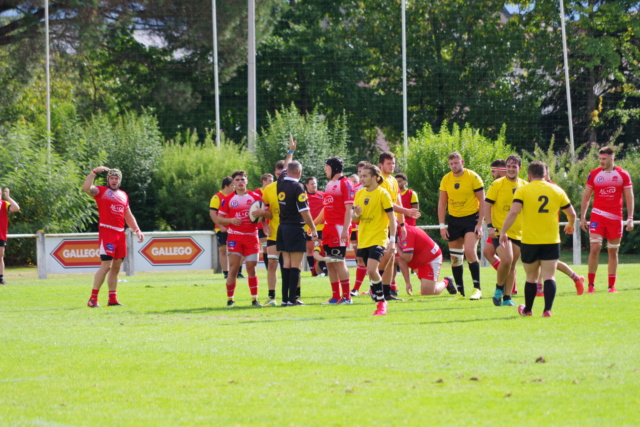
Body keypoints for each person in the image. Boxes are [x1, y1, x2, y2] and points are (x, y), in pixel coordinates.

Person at [499, 161, 576, 317]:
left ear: (529, 175)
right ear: (545, 174)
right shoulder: (557, 190)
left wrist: (503, 231)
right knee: (549, 276)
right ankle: (547, 310)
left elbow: (513, 212)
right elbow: (572, 214)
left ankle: (528, 310)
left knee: (531, 277)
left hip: (530, 240)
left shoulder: (523, 190)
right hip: (551, 240)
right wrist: (570, 225)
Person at [82, 167, 144, 307]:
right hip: (107, 232)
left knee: (116, 268)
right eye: (111, 178)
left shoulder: (123, 195)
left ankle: (112, 299)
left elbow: (128, 215)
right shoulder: (101, 191)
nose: (114, 180)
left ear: (119, 180)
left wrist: (137, 229)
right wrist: (94, 172)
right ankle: (93, 299)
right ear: (108, 179)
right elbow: (86, 188)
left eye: (116, 178)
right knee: (106, 266)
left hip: (120, 234)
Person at [580, 146, 634, 294]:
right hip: (597, 215)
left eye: (604, 159)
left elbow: (629, 197)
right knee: (595, 248)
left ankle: (611, 286)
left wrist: (630, 218)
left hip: (615, 218)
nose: (601, 161)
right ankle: (591, 285)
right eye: (600, 159)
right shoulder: (594, 174)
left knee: (612, 251)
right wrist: (583, 217)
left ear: (612, 158)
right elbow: (586, 196)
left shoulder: (623, 174)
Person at [438, 152, 485, 299]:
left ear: (462, 162)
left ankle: (477, 289)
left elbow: (483, 202)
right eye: (451, 164)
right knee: (455, 258)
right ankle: (460, 292)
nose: (454, 166)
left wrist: (480, 224)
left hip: (471, 219)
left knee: (470, 251)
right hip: (454, 220)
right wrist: (442, 226)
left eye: (456, 163)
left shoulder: (473, 177)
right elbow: (442, 203)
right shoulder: (446, 179)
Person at [352, 164, 397, 316]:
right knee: (370, 273)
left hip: (379, 237)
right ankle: (378, 297)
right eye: (361, 176)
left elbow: (392, 219)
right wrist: (356, 213)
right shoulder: (359, 194)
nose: (361, 178)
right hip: (364, 239)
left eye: (365, 176)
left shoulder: (382, 194)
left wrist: (392, 240)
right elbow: (355, 220)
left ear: (374, 177)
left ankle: (381, 302)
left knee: (372, 269)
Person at [217, 170, 265, 307]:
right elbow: (220, 218)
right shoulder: (227, 199)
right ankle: (230, 299)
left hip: (251, 237)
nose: (240, 182)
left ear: (246, 181)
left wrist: (263, 216)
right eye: (237, 180)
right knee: (233, 268)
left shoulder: (256, 197)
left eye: (242, 179)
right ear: (233, 183)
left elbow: (266, 215)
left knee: (252, 268)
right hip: (234, 237)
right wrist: (231, 220)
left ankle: (254, 299)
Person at [377, 151, 420, 301]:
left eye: (393, 163)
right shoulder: (380, 180)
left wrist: (402, 223)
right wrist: (407, 211)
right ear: (380, 165)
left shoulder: (394, 181)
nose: (392, 166)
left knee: (390, 257)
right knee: (386, 255)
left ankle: (386, 291)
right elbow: (388, 204)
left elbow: (398, 202)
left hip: (393, 224)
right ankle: (376, 284)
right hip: (381, 224)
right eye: (388, 163)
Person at [484, 155, 527, 307]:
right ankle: (498, 289)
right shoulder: (497, 184)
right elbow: (486, 206)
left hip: (518, 232)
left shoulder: (525, 186)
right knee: (507, 259)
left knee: (512, 264)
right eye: (508, 166)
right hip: (499, 230)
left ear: (519, 168)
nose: (510, 169)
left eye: (514, 166)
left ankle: (507, 298)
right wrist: (489, 226)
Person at [276, 160, 318, 306]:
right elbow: (304, 211)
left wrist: (290, 152)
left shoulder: (280, 183)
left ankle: (284, 299)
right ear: (299, 173)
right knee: (296, 265)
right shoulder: (298, 187)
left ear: (287, 171)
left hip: (282, 228)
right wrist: (313, 228)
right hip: (295, 228)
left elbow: (284, 169)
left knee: (286, 264)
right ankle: (293, 299)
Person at [314, 157, 354, 304]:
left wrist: (345, 229)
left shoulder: (347, 183)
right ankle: (335, 296)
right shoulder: (329, 184)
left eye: (326, 167)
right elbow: (326, 208)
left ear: (334, 167)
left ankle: (347, 297)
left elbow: (349, 209)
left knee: (338, 261)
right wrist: (314, 223)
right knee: (330, 263)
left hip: (339, 228)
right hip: (328, 227)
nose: (325, 169)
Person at [261, 137, 297, 306]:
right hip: (274, 233)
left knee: (292, 265)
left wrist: (291, 151)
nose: (279, 174)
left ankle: (294, 296)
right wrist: (263, 223)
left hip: (289, 231)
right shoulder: (268, 190)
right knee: (273, 263)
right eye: (277, 172)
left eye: (282, 171)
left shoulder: (294, 186)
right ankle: (272, 296)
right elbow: (266, 212)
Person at [397, 225, 457, 296]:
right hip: (417, 259)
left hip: (430, 259)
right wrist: (407, 282)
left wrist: (395, 245)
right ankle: (389, 289)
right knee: (390, 259)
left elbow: (406, 258)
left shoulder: (406, 232)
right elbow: (401, 260)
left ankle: (446, 281)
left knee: (428, 292)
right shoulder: (392, 234)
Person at [210, 176, 244, 279]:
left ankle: (238, 272)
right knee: (223, 250)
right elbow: (212, 213)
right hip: (223, 229)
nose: (234, 188)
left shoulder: (235, 196)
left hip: (235, 228)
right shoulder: (217, 197)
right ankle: (226, 273)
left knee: (239, 250)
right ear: (226, 186)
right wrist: (220, 226)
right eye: (232, 186)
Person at [395, 173, 419, 291]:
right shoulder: (394, 194)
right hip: (397, 227)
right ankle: (393, 284)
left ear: (405, 182)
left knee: (407, 254)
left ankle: (415, 270)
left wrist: (401, 212)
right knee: (398, 255)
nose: (398, 183)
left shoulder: (411, 194)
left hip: (409, 228)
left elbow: (415, 211)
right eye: (396, 181)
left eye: (400, 181)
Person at [350, 161, 370, 297]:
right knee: (361, 258)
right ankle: (356, 288)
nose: (361, 176)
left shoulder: (377, 189)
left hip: (374, 229)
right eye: (359, 173)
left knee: (375, 260)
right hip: (356, 228)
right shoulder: (355, 189)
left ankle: (383, 287)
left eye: (364, 173)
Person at [482, 160, 507, 271]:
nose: (492, 174)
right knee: (487, 252)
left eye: (493, 171)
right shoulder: (496, 184)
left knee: (507, 261)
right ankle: (506, 278)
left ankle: (511, 286)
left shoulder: (508, 185)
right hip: (496, 226)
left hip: (506, 228)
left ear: (501, 171)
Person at [304, 176, 327, 277]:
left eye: (315, 183)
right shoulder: (303, 196)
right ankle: (312, 270)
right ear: (307, 185)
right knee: (310, 249)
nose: (314, 185)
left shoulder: (322, 195)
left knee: (322, 249)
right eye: (312, 184)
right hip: (308, 227)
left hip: (322, 226)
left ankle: (324, 269)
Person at [0, 188, 20, 285]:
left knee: (0, 257)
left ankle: (0, 279)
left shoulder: (4, 204)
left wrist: (7, 197)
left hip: (1, 235)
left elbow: (16, 208)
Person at [254, 173, 273, 270]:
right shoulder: (257, 192)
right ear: (264, 181)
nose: (272, 182)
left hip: (273, 223)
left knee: (272, 248)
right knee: (266, 247)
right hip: (261, 224)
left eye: (272, 180)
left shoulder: (273, 191)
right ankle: (268, 269)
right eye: (270, 180)